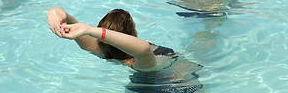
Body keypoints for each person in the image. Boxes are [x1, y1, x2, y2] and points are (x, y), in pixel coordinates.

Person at [47, 7, 203, 91]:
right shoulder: (138, 59)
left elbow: (143, 48)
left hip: (175, 81)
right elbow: (142, 47)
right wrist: (58, 18)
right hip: (175, 84)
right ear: (132, 34)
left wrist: (89, 29)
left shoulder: (101, 50)